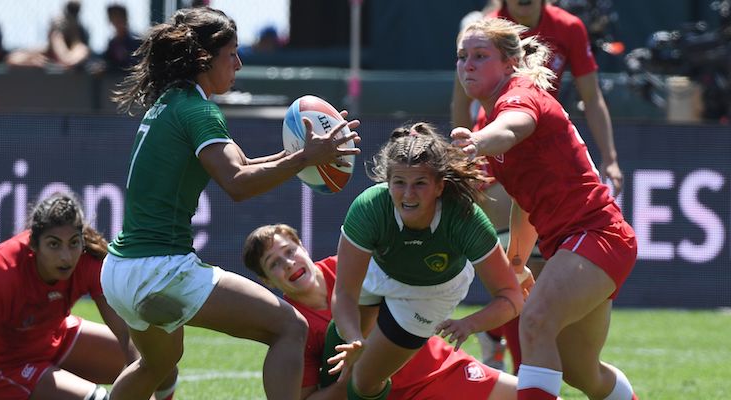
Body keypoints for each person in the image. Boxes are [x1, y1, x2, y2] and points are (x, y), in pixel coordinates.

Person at [101, 6, 361, 400]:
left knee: (155, 364)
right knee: (290, 327)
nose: (239, 63)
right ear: (205, 59)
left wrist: (309, 151)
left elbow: (243, 164)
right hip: (159, 270)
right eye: (232, 54)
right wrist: (307, 158)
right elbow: (237, 184)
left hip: (119, 271)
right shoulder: (199, 109)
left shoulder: (174, 102)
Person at [452, 17, 637, 400]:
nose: (467, 64)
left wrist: (477, 141)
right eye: (461, 56)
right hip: (577, 244)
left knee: (534, 322)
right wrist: (517, 262)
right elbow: (525, 200)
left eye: (480, 55)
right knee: (582, 373)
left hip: (598, 235)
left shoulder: (518, 96)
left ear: (509, 64)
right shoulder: (491, 114)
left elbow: (513, 127)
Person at [328, 122, 528, 400]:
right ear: (387, 182)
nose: (408, 194)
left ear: (439, 186)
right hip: (380, 270)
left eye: (420, 183)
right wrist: (353, 338)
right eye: (399, 183)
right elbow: (344, 293)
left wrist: (469, 324)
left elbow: (512, 297)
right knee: (338, 346)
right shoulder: (369, 208)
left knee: (363, 383)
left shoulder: (464, 218)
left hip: (429, 293)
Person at [243, 223, 530, 400]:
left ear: (302, 246)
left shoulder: (351, 265)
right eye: (275, 264)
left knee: (539, 396)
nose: (289, 263)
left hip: (440, 368)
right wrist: (349, 376)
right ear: (268, 281)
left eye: (289, 251)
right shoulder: (293, 326)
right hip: (383, 395)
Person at [0, 192, 146, 400]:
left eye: (73, 243)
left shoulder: (87, 259)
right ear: (34, 245)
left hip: (54, 338)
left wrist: (143, 381)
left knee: (155, 361)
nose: (66, 256)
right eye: (54, 244)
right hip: (4, 366)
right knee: (98, 399)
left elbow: (126, 333)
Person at [102, 3, 141, 72]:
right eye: (113, 17)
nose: (116, 20)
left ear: (125, 18)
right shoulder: (113, 43)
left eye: (119, 16)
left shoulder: (136, 40)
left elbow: (135, 63)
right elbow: (107, 62)